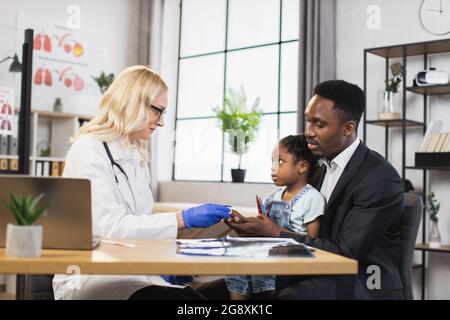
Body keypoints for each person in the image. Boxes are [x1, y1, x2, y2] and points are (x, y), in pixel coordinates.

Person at [200, 80, 404, 300]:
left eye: (319, 124)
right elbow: (300, 229)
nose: (308, 132)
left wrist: (275, 233)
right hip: (312, 269)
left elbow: (346, 253)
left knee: (286, 297)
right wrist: (256, 230)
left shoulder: (379, 178)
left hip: (363, 280)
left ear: (348, 128)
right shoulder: (316, 168)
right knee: (207, 293)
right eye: (308, 121)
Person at [52, 66, 230, 300]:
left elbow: (140, 223)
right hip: (93, 277)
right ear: (132, 102)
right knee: (191, 302)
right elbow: (111, 228)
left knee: (230, 289)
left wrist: (167, 262)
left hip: (135, 273)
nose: (161, 122)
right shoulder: (89, 149)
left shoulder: (137, 156)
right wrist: (181, 218)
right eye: (158, 110)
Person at [225, 134, 325, 300]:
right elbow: (261, 227)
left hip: (290, 258)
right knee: (235, 255)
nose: (273, 167)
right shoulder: (272, 198)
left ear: (302, 166)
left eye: (279, 161)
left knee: (262, 263)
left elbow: (312, 241)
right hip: (269, 252)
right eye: (272, 161)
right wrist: (241, 222)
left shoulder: (312, 198)